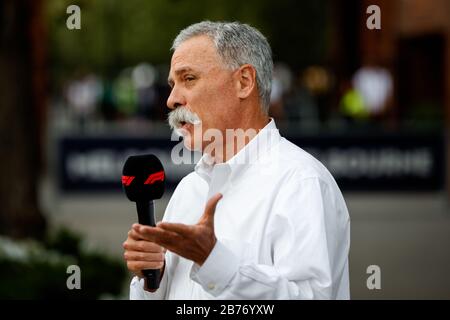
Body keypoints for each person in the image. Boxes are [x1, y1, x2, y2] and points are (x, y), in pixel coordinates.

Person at [123, 21, 350, 299]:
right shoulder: (189, 189)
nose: (171, 99)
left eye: (189, 79)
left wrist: (215, 262)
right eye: (173, 84)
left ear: (243, 82)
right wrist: (151, 282)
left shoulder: (301, 183)